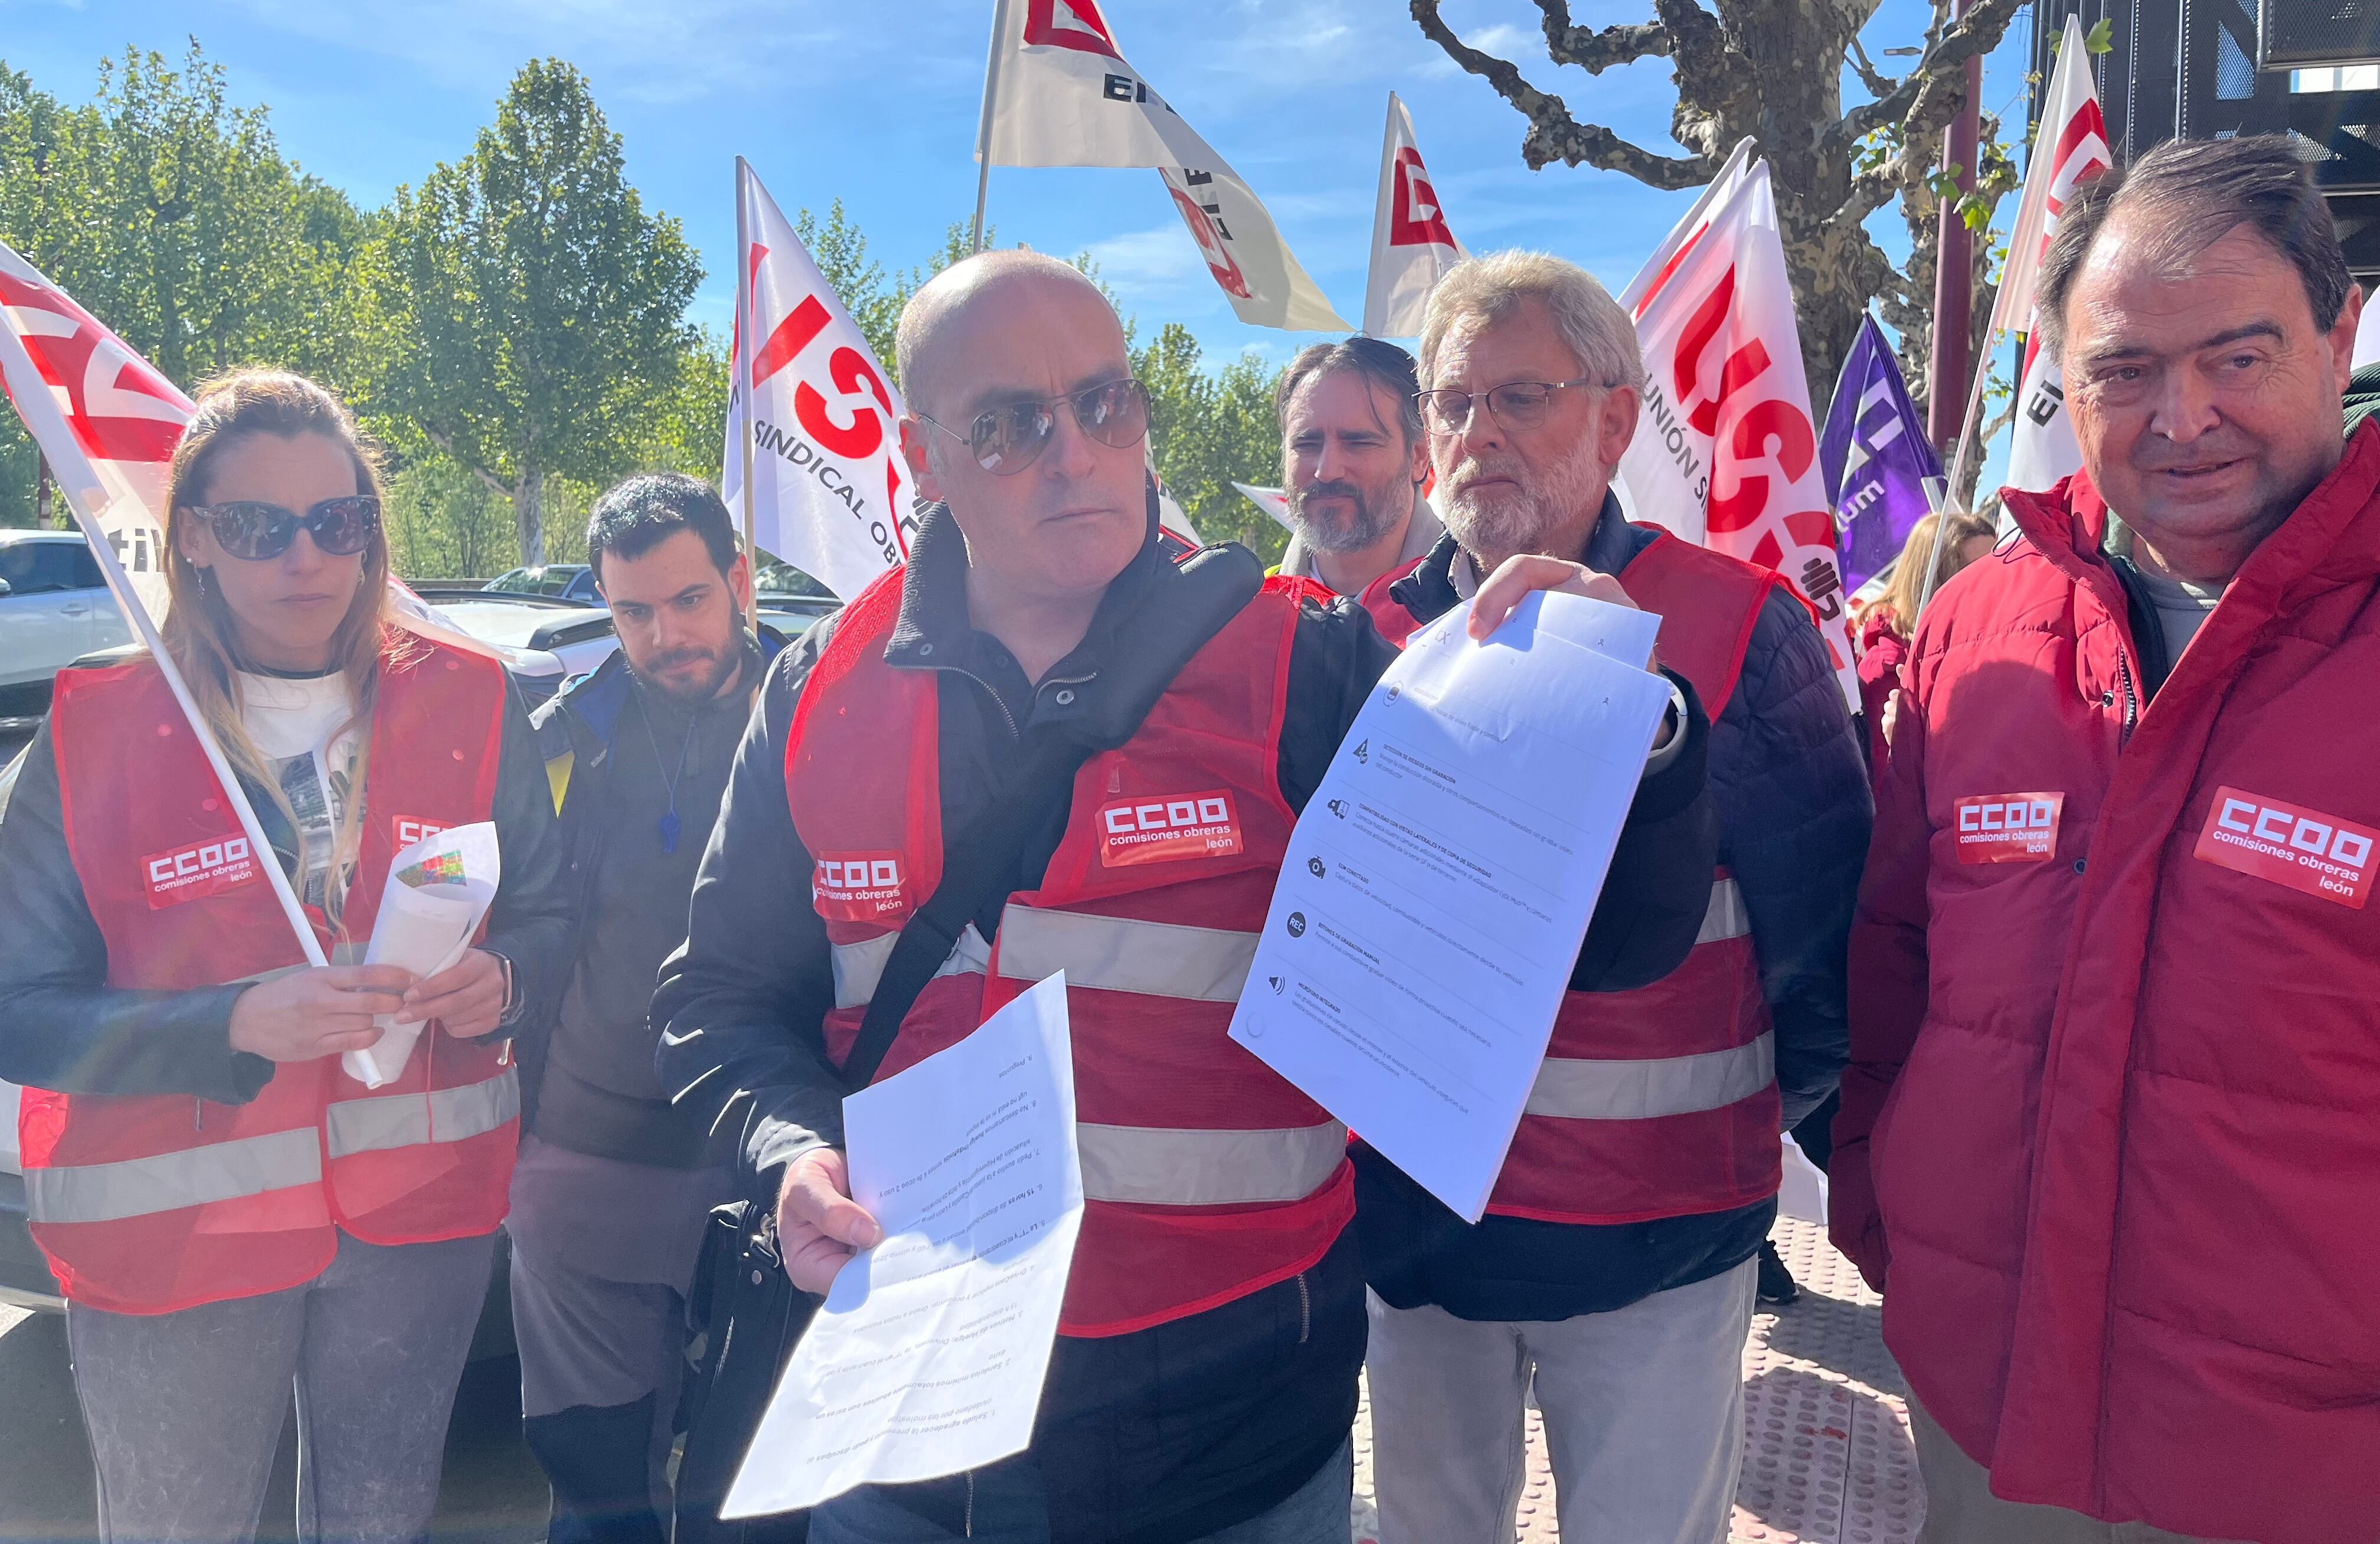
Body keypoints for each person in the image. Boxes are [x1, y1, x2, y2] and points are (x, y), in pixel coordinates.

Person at [650, 249, 1718, 1544]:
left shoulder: (1306, 659)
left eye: (1106, 403)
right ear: (922, 456)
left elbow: (1607, 944)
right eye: (1010, 424)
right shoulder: (819, 691)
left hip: (1232, 1447)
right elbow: (719, 1001)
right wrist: (789, 1150)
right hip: (905, 1437)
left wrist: (1630, 734)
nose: (1076, 454)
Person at [1830, 136, 2380, 1544]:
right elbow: (1897, 959)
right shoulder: (1975, 630)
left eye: (2237, 356)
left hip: (2305, 1453)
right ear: (2063, 385)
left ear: (2340, 336)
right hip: (1984, 1395)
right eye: (2124, 371)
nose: (2182, 418)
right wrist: (1886, 1215)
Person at [0, 369, 570, 1544]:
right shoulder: (97, 727)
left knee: (378, 1521)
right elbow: (17, 1004)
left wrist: (506, 981)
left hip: (417, 1219)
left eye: (337, 519)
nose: (306, 555)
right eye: (261, 525)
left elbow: (554, 916)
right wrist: (226, 1024)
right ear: (195, 537)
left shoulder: (473, 699)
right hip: (175, 1238)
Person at [1354, 250, 1869, 1544]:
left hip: (1660, 1242)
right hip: (1420, 1238)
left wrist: (1739, 1146)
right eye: (1453, 404)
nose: (1478, 433)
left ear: (1618, 418)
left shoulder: (1742, 625)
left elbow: (1824, 941)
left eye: (1520, 397)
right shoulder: (1365, 637)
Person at [508, 474, 769, 1544]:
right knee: (597, 1496)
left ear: (741, 579)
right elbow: (519, 927)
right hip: (587, 1164)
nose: (665, 635)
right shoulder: (560, 741)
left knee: (755, 1501)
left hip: (773, 1160)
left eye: (690, 599)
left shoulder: (825, 716)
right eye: (633, 611)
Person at [1273, 335, 1442, 601]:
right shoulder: (1244, 611)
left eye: (1358, 442)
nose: (1327, 472)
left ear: (1419, 456)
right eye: (1307, 444)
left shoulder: (1492, 605)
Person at [1856, 509, 1993, 771]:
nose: (1997, 585)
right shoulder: (1885, 671)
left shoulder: (1994, 645)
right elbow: (1893, 784)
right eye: (1978, 574)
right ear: (1938, 582)